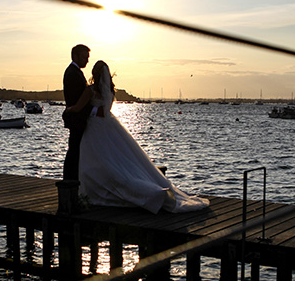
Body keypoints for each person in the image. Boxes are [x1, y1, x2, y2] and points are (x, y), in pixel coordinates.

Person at [66, 60, 209, 214]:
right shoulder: (110, 91)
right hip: (109, 126)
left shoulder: (90, 90)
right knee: (116, 160)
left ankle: (102, 192)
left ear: (94, 73)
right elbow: (105, 111)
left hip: (94, 128)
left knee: (94, 161)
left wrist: (69, 109)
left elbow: (78, 108)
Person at [62, 44, 91, 180]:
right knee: (74, 150)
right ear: (75, 56)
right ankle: (70, 181)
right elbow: (76, 98)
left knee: (75, 150)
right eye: (84, 57)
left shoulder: (75, 72)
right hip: (77, 118)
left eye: (88, 57)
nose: (87, 60)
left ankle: (72, 180)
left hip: (77, 118)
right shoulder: (72, 73)